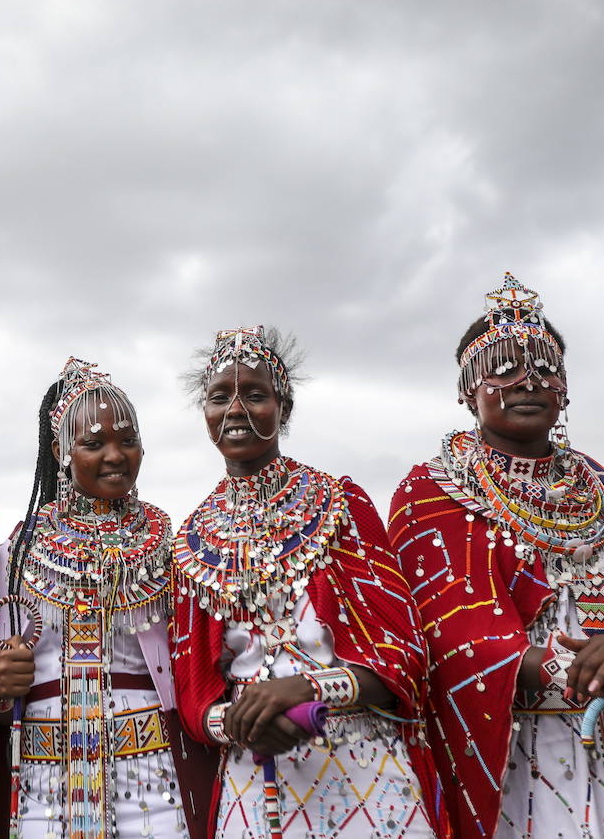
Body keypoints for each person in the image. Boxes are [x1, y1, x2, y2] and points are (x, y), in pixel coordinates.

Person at [388, 273, 604, 838]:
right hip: (521, 751)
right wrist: (595, 675)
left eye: (546, 368)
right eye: (502, 368)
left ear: (566, 389)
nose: (528, 380)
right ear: (466, 390)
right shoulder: (429, 492)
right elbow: (454, 638)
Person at [172, 327, 444, 839]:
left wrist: (307, 692)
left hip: (364, 767)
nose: (235, 410)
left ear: (284, 407)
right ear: (204, 413)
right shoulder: (191, 538)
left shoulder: (341, 505)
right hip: (255, 778)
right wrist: (238, 723)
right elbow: (194, 698)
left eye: (255, 395)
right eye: (218, 397)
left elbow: (404, 660)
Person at [0, 357, 215, 839]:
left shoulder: (172, 548)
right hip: (43, 781)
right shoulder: (18, 552)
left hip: (152, 778)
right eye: (93, 443)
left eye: (127, 440)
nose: (115, 455)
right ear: (60, 450)